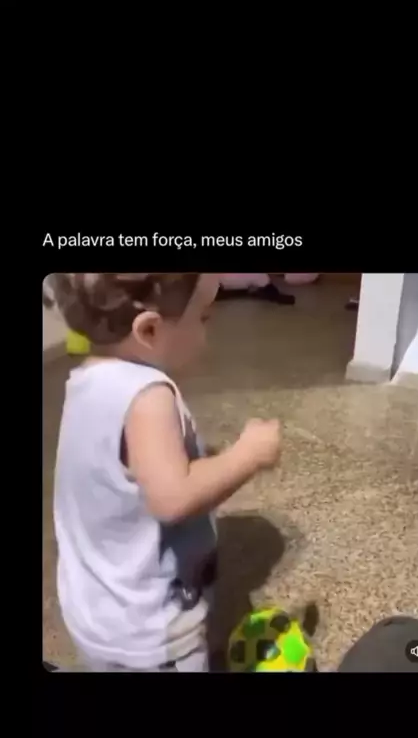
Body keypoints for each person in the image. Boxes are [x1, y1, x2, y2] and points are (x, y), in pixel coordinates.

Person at [44, 273, 281, 672]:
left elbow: (122, 473)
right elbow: (173, 498)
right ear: (149, 330)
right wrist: (249, 454)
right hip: (150, 634)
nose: (207, 333)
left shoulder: (86, 377)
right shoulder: (149, 396)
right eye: (203, 317)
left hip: (96, 610)